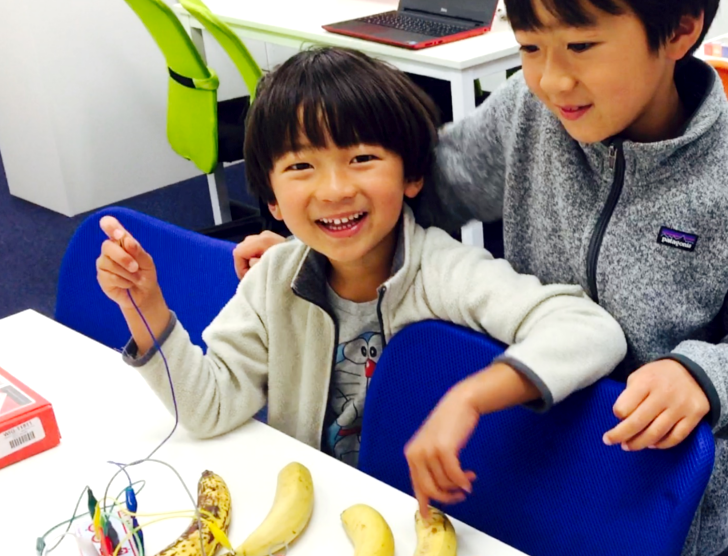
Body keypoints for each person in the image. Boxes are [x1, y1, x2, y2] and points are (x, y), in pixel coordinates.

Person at [233, 1, 728, 553]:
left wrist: (705, 376)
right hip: (519, 438)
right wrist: (315, 246)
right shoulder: (529, 111)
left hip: (652, 484)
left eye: (581, 46)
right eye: (530, 47)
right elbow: (412, 193)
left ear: (680, 30)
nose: (552, 81)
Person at [96, 46, 627, 515]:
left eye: (362, 158)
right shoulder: (274, 279)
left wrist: (469, 398)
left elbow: (588, 328)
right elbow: (207, 409)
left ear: (412, 175)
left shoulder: (444, 272)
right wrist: (146, 308)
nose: (334, 189)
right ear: (273, 199)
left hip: (426, 511)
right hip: (316, 508)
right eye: (301, 167)